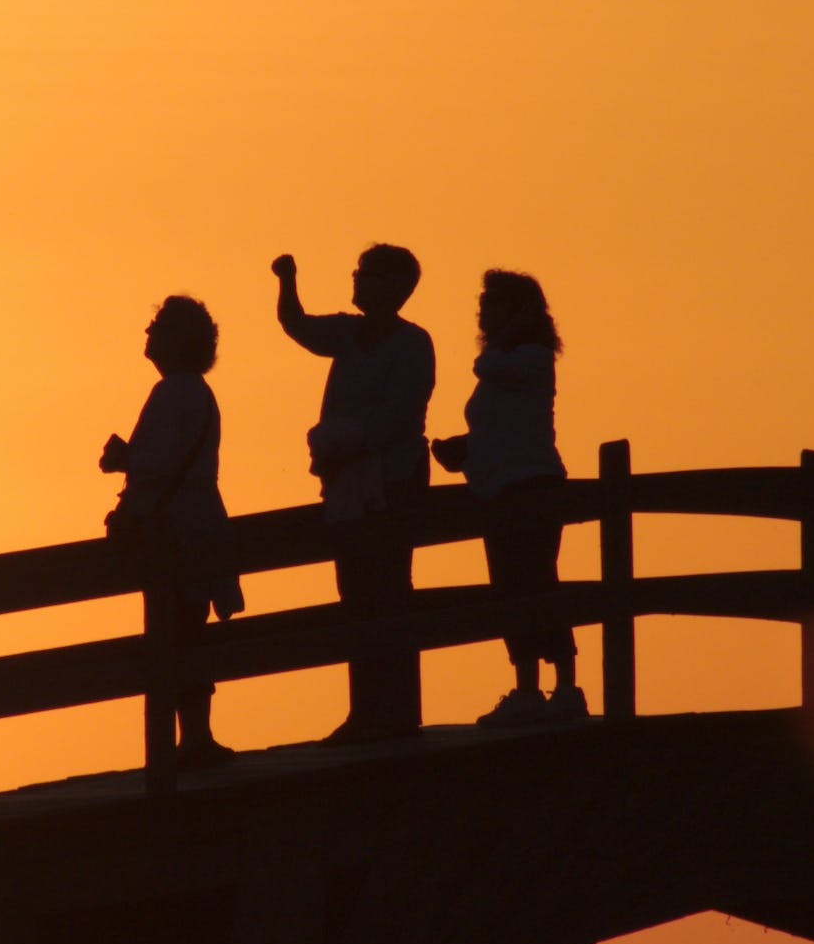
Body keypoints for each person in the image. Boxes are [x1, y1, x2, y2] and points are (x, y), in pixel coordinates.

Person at [272, 245, 435, 743]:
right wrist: (287, 281)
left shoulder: (413, 344)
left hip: (393, 481)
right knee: (356, 594)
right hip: (347, 484)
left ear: (396, 287)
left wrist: (350, 447)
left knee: (389, 591)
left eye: (366, 274)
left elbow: (401, 414)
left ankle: (398, 713)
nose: (357, 279)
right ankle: (365, 711)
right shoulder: (346, 332)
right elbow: (297, 325)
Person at [434, 269, 581, 725]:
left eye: (493, 303)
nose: (482, 311)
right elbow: (500, 429)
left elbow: (488, 367)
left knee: (537, 584)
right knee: (510, 588)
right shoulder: (503, 365)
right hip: (498, 490)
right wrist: (465, 449)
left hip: (531, 486)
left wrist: (506, 337)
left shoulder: (532, 357)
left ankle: (565, 688)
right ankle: (528, 689)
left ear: (520, 311)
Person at [102, 296, 245, 765]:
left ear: (179, 341)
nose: (148, 333)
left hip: (177, 530)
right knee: (187, 630)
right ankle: (194, 737)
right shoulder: (194, 390)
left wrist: (123, 459)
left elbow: (161, 464)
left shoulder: (174, 391)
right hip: (197, 522)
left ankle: (190, 740)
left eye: (158, 327)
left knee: (175, 632)